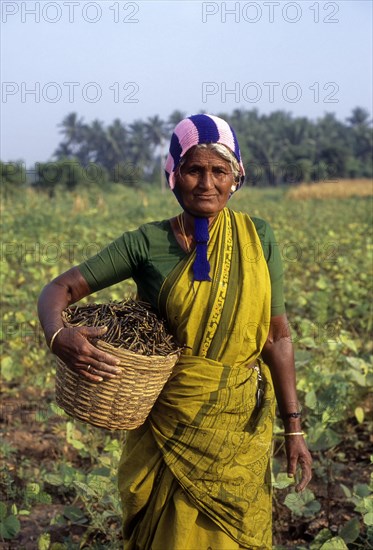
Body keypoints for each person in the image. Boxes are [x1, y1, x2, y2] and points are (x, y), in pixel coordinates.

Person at [38, 114, 312, 549]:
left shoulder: (257, 237)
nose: (206, 183)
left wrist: (294, 428)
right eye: (193, 169)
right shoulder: (145, 243)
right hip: (169, 425)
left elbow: (276, 336)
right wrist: (59, 336)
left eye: (219, 171)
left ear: (235, 177)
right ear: (173, 174)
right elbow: (60, 289)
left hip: (237, 427)